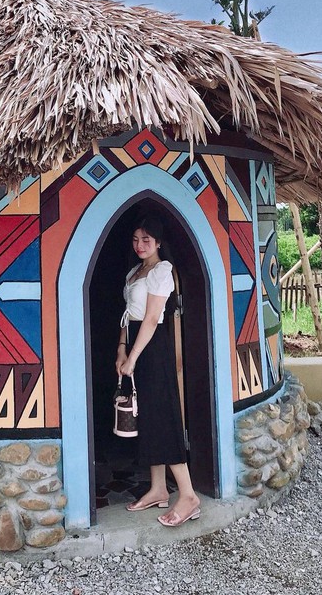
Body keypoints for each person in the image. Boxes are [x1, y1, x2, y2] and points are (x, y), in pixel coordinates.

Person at [116, 213, 201, 527]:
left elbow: (151, 319)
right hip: (136, 346)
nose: (140, 245)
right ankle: (158, 488)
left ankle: (189, 495)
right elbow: (128, 317)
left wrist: (134, 357)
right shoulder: (134, 273)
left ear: (159, 243)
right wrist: (121, 350)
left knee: (163, 416)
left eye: (147, 240)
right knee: (146, 418)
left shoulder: (162, 272)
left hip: (153, 349)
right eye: (136, 239)